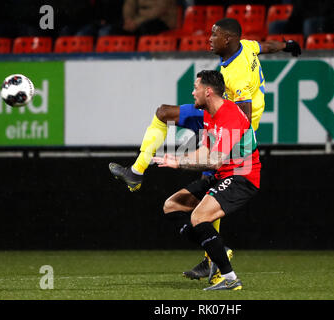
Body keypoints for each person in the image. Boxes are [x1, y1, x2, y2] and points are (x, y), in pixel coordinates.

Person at [109, 17, 301, 283]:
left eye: (214, 35)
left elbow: (240, 116)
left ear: (228, 39)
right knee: (164, 114)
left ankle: (216, 259)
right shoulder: (245, 46)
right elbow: (265, 46)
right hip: (219, 116)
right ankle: (136, 171)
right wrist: (288, 44)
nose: (209, 39)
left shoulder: (235, 75)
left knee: (209, 178)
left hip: (233, 124)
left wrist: (223, 136)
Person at [153, 70, 261, 290]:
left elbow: (215, 161)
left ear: (208, 91)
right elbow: (205, 151)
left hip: (242, 176)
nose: (193, 93)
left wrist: (179, 163)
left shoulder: (230, 115)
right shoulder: (209, 114)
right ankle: (218, 248)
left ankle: (230, 278)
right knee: (171, 206)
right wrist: (177, 158)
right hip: (224, 175)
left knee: (199, 217)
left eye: (196, 88)